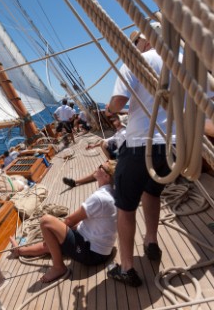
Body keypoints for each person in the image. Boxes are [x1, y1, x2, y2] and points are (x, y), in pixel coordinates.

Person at [105, 23, 173, 287]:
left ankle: (127, 267)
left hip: (139, 147)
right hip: (172, 148)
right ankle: (151, 241)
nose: (135, 47)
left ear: (144, 41)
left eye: (136, 43)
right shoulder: (182, 63)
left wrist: (111, 109)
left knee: (125, 206)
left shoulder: (138, 61)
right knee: (152, 191)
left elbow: (117, 103)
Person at [10, 160, 117, 283]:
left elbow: (70, 220)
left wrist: (52, 235)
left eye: (100, 166)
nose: (97, 167)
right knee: (54, 239)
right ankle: (20, 251)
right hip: (102, 250)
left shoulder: (99, 197)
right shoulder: (112, 193)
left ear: (106, 176)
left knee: (46, 222)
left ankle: (58, 267)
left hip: (92, 254)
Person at [62, 114, 126, 188]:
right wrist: (94, 146)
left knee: (101, 171)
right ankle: (74, 182)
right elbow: (107, 140)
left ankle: (75, 182)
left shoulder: (124, 134)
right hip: (119, 157)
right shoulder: (119, 133)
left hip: (123, 160)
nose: (114, 122)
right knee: (100, 170)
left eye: (117, 121)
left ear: (121, 123)